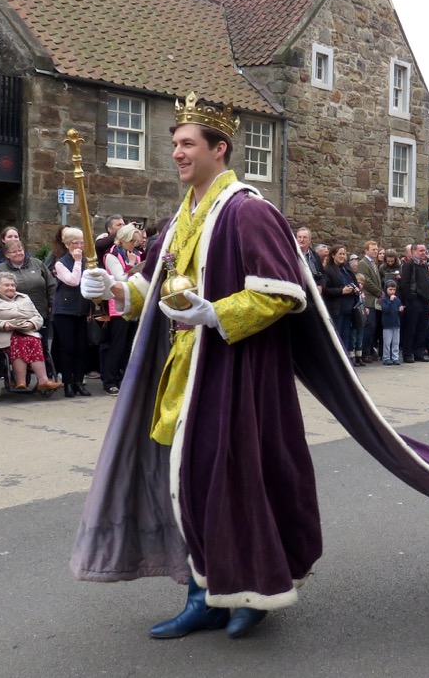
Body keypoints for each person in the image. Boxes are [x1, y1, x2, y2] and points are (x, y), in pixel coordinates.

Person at [73, 94, 321, 640]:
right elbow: (151, 286)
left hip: (238, 374)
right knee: (185, 482)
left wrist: (217, 313)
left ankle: (252, 591)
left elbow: (282, 293)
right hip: (182, 374)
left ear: (219, 149)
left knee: (234, 481)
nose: (177, 153)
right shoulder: (179, 217)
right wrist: (111, 288)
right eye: (175, 144)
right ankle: (203, 593)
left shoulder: (249, 210)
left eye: (187, 144)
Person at [0, 272, 62, 392]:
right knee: (20, 341)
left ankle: (43, 381)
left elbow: (38, 317)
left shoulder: (24, 298)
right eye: (6, 285)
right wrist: (3, 324)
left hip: (26, 331)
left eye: (12, 285)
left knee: (34, 340)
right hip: (2, 333)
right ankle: (20, 380)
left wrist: (31, 324)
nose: (10, 288)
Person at [51, 227, 94, 398]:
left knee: (81, 347)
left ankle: (78, 381)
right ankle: (68, 382)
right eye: (75, 242)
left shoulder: (87, 260)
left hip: (82, 309)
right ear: (68, 244)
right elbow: (73, 281)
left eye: (81, 243)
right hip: (64, 310)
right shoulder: (61, 263)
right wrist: (77, 261)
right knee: (67, 347)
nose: (79, 246)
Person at [100, 223, 143, 392]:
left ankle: (125, 378)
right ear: (123, 239)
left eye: (136, 241)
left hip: (134, 301)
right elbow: (121, 278)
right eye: (132, 241)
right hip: (117, 304)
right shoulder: (111, 255)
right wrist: (132, 266)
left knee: (129, 344)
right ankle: (109, 380)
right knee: (116, 344)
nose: (135, 244)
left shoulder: (136, 254)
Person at [399, 243, 429, 363]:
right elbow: (404, 284)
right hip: (415, 300)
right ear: (413, 251)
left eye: (424, 251)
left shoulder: (424, 266)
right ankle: (408, 353)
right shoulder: (409, 265)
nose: (423, 253)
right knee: (411, 327)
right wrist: (410, 298)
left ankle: (419, 352)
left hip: (425, 300)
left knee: (422, 328)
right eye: (421, 251)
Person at [322, 245, 358, 358]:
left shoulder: (346, 269)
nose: (342, 256)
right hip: (336, 309)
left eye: (344, 254)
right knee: (336, 337)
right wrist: (341, 291)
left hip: (348, 308)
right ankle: (335, 360)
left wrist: (356, 288)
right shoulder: (328, 269)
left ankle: (345, 360)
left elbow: (354, 282)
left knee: (345, 337)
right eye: (340, 254)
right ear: (333, 255)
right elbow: (325, 290)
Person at [379, 279, 403, 365]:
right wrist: (390, 301)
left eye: (394, 289)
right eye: (390, 289)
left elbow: (398, 311)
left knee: (396, 342)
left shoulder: (397, 300)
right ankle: (386, 358)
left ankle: (395, 357)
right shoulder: (384, 300)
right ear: (386, 289)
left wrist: (401, 310)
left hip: (396, 324)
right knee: (387, 343)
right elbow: (386, 310)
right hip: (387, 325)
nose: (392, 291)